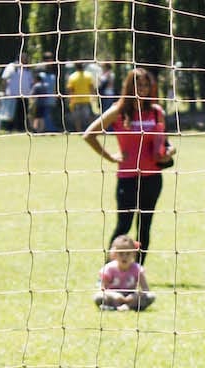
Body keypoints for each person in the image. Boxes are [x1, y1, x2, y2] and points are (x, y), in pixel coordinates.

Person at [83, 67, 175, 265]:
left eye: (146, 85)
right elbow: (89, 134)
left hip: (152, 178)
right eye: (138, 84)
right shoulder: (119, 111)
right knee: (123, 226)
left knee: (144, 227)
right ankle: (108, 272)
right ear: (129, 86)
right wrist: (110, 157)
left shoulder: (157, 112)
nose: (142, 89)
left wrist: (169, 152)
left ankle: (136, 273)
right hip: (127, 178)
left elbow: (164, 142)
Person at [95, 234, 156, 311]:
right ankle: (116, 307)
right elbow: (102, 288)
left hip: (130, 296)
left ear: (134, 254)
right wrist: (114, 295)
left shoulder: (137, 269)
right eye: (121, 253)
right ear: (114, 254)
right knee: (98, 297)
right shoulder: (109, 268)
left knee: (151, 296)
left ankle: (127, 307)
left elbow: (145, 289)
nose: (124, 257)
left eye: (128, 253)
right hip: (113, 296)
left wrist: (134, 296)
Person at [1, 53, 33, 132]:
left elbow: (31, 82)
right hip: (13, 95)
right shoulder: (12, 66)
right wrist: (4, 91)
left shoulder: (28, 69)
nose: (25, 59)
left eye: (26, 58)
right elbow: (4, 79)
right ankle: (9, 129)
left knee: (23, 113)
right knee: (11, 113)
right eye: (23, 58)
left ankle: (21, 128)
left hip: (24, 95)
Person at [66, 62, 95, 132]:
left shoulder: (72, 77)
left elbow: (70, 90)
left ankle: (79, 131)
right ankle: (91, 130)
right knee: (90, 117)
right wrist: (94, 97)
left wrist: (70, 99)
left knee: (77, 118)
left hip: (76, 101)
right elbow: (91, 88)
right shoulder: (89, 75)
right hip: (86, 99)